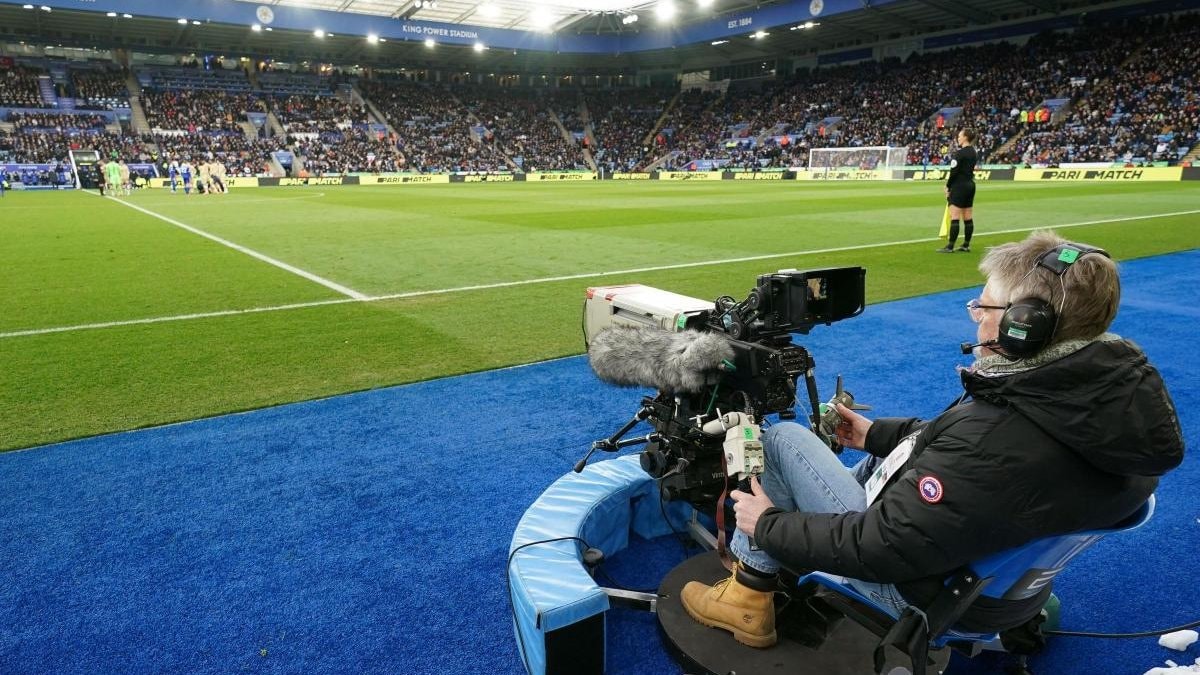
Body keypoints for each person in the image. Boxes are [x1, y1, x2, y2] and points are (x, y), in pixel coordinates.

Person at [681, 230, 1184, 649]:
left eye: (984, 306)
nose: (976, 315)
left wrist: (768, 524)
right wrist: (875, 434)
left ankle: (748, 598)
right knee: (854, 464)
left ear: (1024, 326)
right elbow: (963, 455)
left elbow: (878, 546)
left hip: (923, 593)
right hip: (1002, 588)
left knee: (784, 441)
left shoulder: (994, 441)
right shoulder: (1107, 407)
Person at [939, 128, 978, 253]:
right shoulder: (974, 152)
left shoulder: (960, 153)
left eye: (960, 136)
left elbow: (954, 172)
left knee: (955, 216)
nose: (958, 138)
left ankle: (950, 246)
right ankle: (966, 245)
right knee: (968, 216)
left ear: (965, 137)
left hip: (959, 186)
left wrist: (948, 186)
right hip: (970, 185)